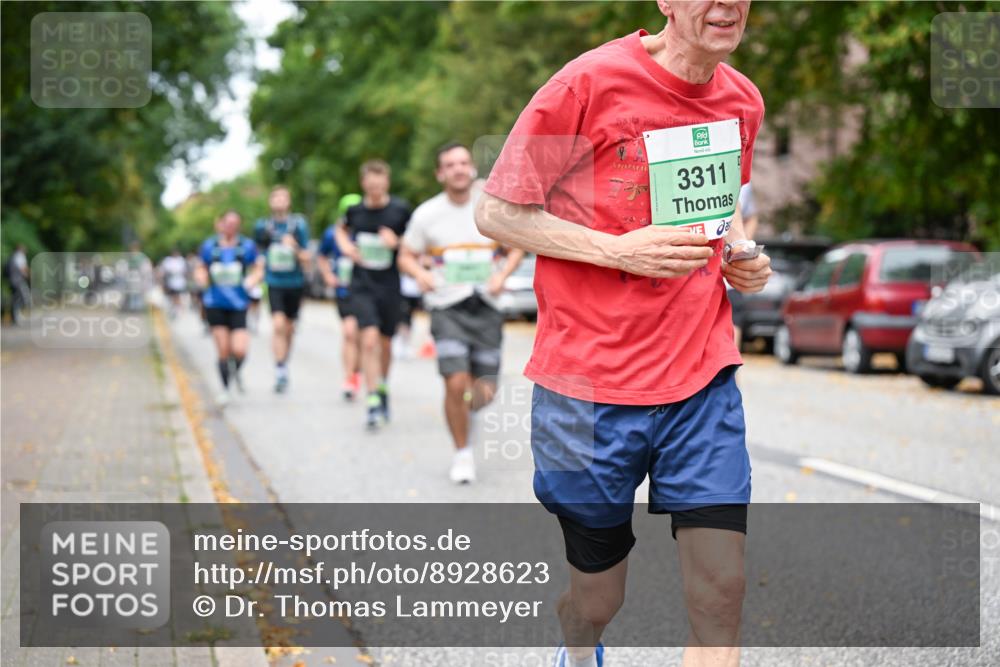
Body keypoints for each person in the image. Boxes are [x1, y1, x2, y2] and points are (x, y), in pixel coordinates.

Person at [474, 2, 771, 666]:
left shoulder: (741, 101)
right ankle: (580, 651)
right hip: (589, 389)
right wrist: (617, 251)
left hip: (701, 380)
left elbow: (723, 214)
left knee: (722, 589)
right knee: (596, 598)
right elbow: (497, 212)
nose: (726, 4)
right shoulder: (587, 85)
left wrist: (744, 255)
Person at [399, 142, 524, 484]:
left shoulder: (491, 205)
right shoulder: (427, 214)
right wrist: (422, 275)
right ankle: (462, 453)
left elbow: (516, 246)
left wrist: (502, 275)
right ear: (440, 173)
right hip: (447, 307)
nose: (458, 169)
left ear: (471, 168)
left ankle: (467, 417)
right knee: (455, 382)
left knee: (484, 394)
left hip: (487, 306)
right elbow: (405, 255)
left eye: (463, 162)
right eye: (450, 164)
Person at [335, 160, 411, 430]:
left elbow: (414, 244)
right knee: (368, 341)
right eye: (370, 182)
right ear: (363, 183)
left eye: (380, 183)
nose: (375, 187)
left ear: (386, 183)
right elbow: (340, 229)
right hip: (362, 285)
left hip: (389, 286)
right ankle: (371, 399)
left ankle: (382, 386)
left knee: (386, 344)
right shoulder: (355, 211)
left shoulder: (400, 210)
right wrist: (346, 247)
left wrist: (398, 243)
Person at [195, 210, 262, 406]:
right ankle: (225, 388)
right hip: (215, 303)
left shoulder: (246, 246)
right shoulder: (210, 246)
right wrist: (201, 276)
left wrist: (253, 278)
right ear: (221, 224)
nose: (231, 227)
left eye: (235, 224)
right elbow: (201, 267)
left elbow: (258, 267)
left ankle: (236, 370)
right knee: (223, 349)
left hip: (239, 304)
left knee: (239, 350)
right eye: (228, 223)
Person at [254, 185, 311, 393]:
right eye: (275, 197)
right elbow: (257, 253)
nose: (279, 201)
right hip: (274, 282)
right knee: (278, 324)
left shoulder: (298, 225)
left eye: (283, 197)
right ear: (270, 202)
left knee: (289, 328)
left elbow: (307, 256)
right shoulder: (262, 226)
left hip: (294, 283)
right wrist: (258, 271)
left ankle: (284, 361)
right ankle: (279, 369)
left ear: (289, 202)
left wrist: (293, 247)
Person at [318, 193, 364, 401]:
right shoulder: (332, 234)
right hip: (344, 290)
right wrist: (328, 274)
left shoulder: (368, 230)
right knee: (349, 333)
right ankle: (348, 377)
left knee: (363, 337)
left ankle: (358, 372)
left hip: (366, 290)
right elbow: (321, 256)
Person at [159, 248, 188, 318]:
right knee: (173, 296)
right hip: (171, 282)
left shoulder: (181, 260)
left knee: (177, 296)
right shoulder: (168, 260)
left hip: (180, 282)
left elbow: (184, 270)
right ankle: (176, 308)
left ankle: (178, 309)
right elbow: (164, 271)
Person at [5, 244, 30, 324]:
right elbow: (23, 268)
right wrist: (29, 275)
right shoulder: (20, 256)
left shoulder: (13, 256)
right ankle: (16, 316)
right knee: (23, 298)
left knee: (15, 299)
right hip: (18, 281)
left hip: (11, 281)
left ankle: (14, 317)